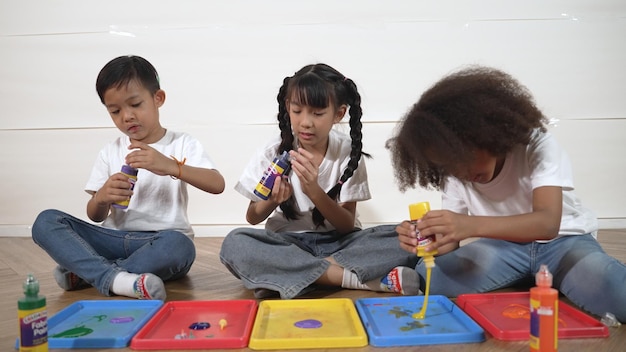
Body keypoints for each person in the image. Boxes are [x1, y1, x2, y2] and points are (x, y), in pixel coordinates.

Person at [386, 65, 626, 321]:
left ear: (489, 134)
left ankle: (555, 276)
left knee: (616, 292)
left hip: (565, 242)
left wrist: (468, 225)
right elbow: (451, 244)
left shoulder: (537, 145)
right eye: (449, 165)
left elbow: (547, 224)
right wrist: (428, 239)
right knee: (432, 277)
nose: (462, 172)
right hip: (502, 247)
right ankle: (534, 278)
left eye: (465, 157)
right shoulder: (455, 173)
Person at [31, 55, 225, 301]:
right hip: (113, 238)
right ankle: (118, 279)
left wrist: (170, 166)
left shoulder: (182, 143)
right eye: (115, 111)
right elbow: (95, 215)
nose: (127, 116)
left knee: (180, 246)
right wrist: (102, 197)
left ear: (158, 99)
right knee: (46, 221)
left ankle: (89, 273)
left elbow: (217, 184)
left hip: (161, 240)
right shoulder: (110, 151)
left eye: (135, 104)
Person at [220, 63, 418, 299]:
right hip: (288, 242)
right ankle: (349, 278)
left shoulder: (347, 153)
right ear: (287, 108)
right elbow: (252, 217)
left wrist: (315, 192)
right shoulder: (272, 151)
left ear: (339, 114)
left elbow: (346, 225)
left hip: (340, 242)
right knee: (236, 244)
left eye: (317, 113)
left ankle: (289, 274)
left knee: (407, 235)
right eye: (297, 111)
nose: (306, 122)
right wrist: (273, 200)